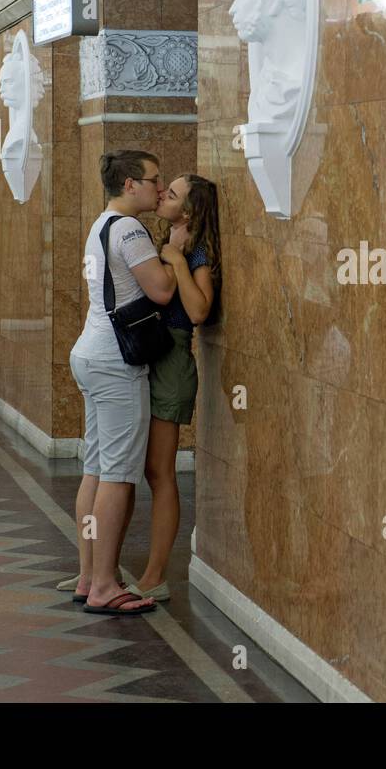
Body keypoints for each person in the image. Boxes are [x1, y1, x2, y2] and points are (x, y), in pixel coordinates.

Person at [66, 150, 176, 616]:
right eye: (153, 180)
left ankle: (89, 574)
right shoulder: (130, 229)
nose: (159, 187)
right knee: (117, 475)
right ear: (129, 184)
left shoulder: (100, 224)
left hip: (89, 353)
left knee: (95, 468)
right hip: (117, 362)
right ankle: (106, 586)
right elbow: (162, 291)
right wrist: (172, 255)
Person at [130, 174, 221, 601]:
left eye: (172, 193)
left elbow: (200, 310)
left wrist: (179, 262)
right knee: (141, 469)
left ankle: (155, 576)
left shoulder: (196, 252)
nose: (162, 194)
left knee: (160, 472)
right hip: (149, 358)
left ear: (188, 211)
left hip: (173, 365)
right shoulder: (166, 239)